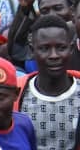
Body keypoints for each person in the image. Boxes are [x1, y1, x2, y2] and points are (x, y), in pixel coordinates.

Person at [15, 15, 80, 150]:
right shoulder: (17, 93)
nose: (54, 55)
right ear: (32, 51)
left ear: (71, 48)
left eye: (61, 48)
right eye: (44, 48)